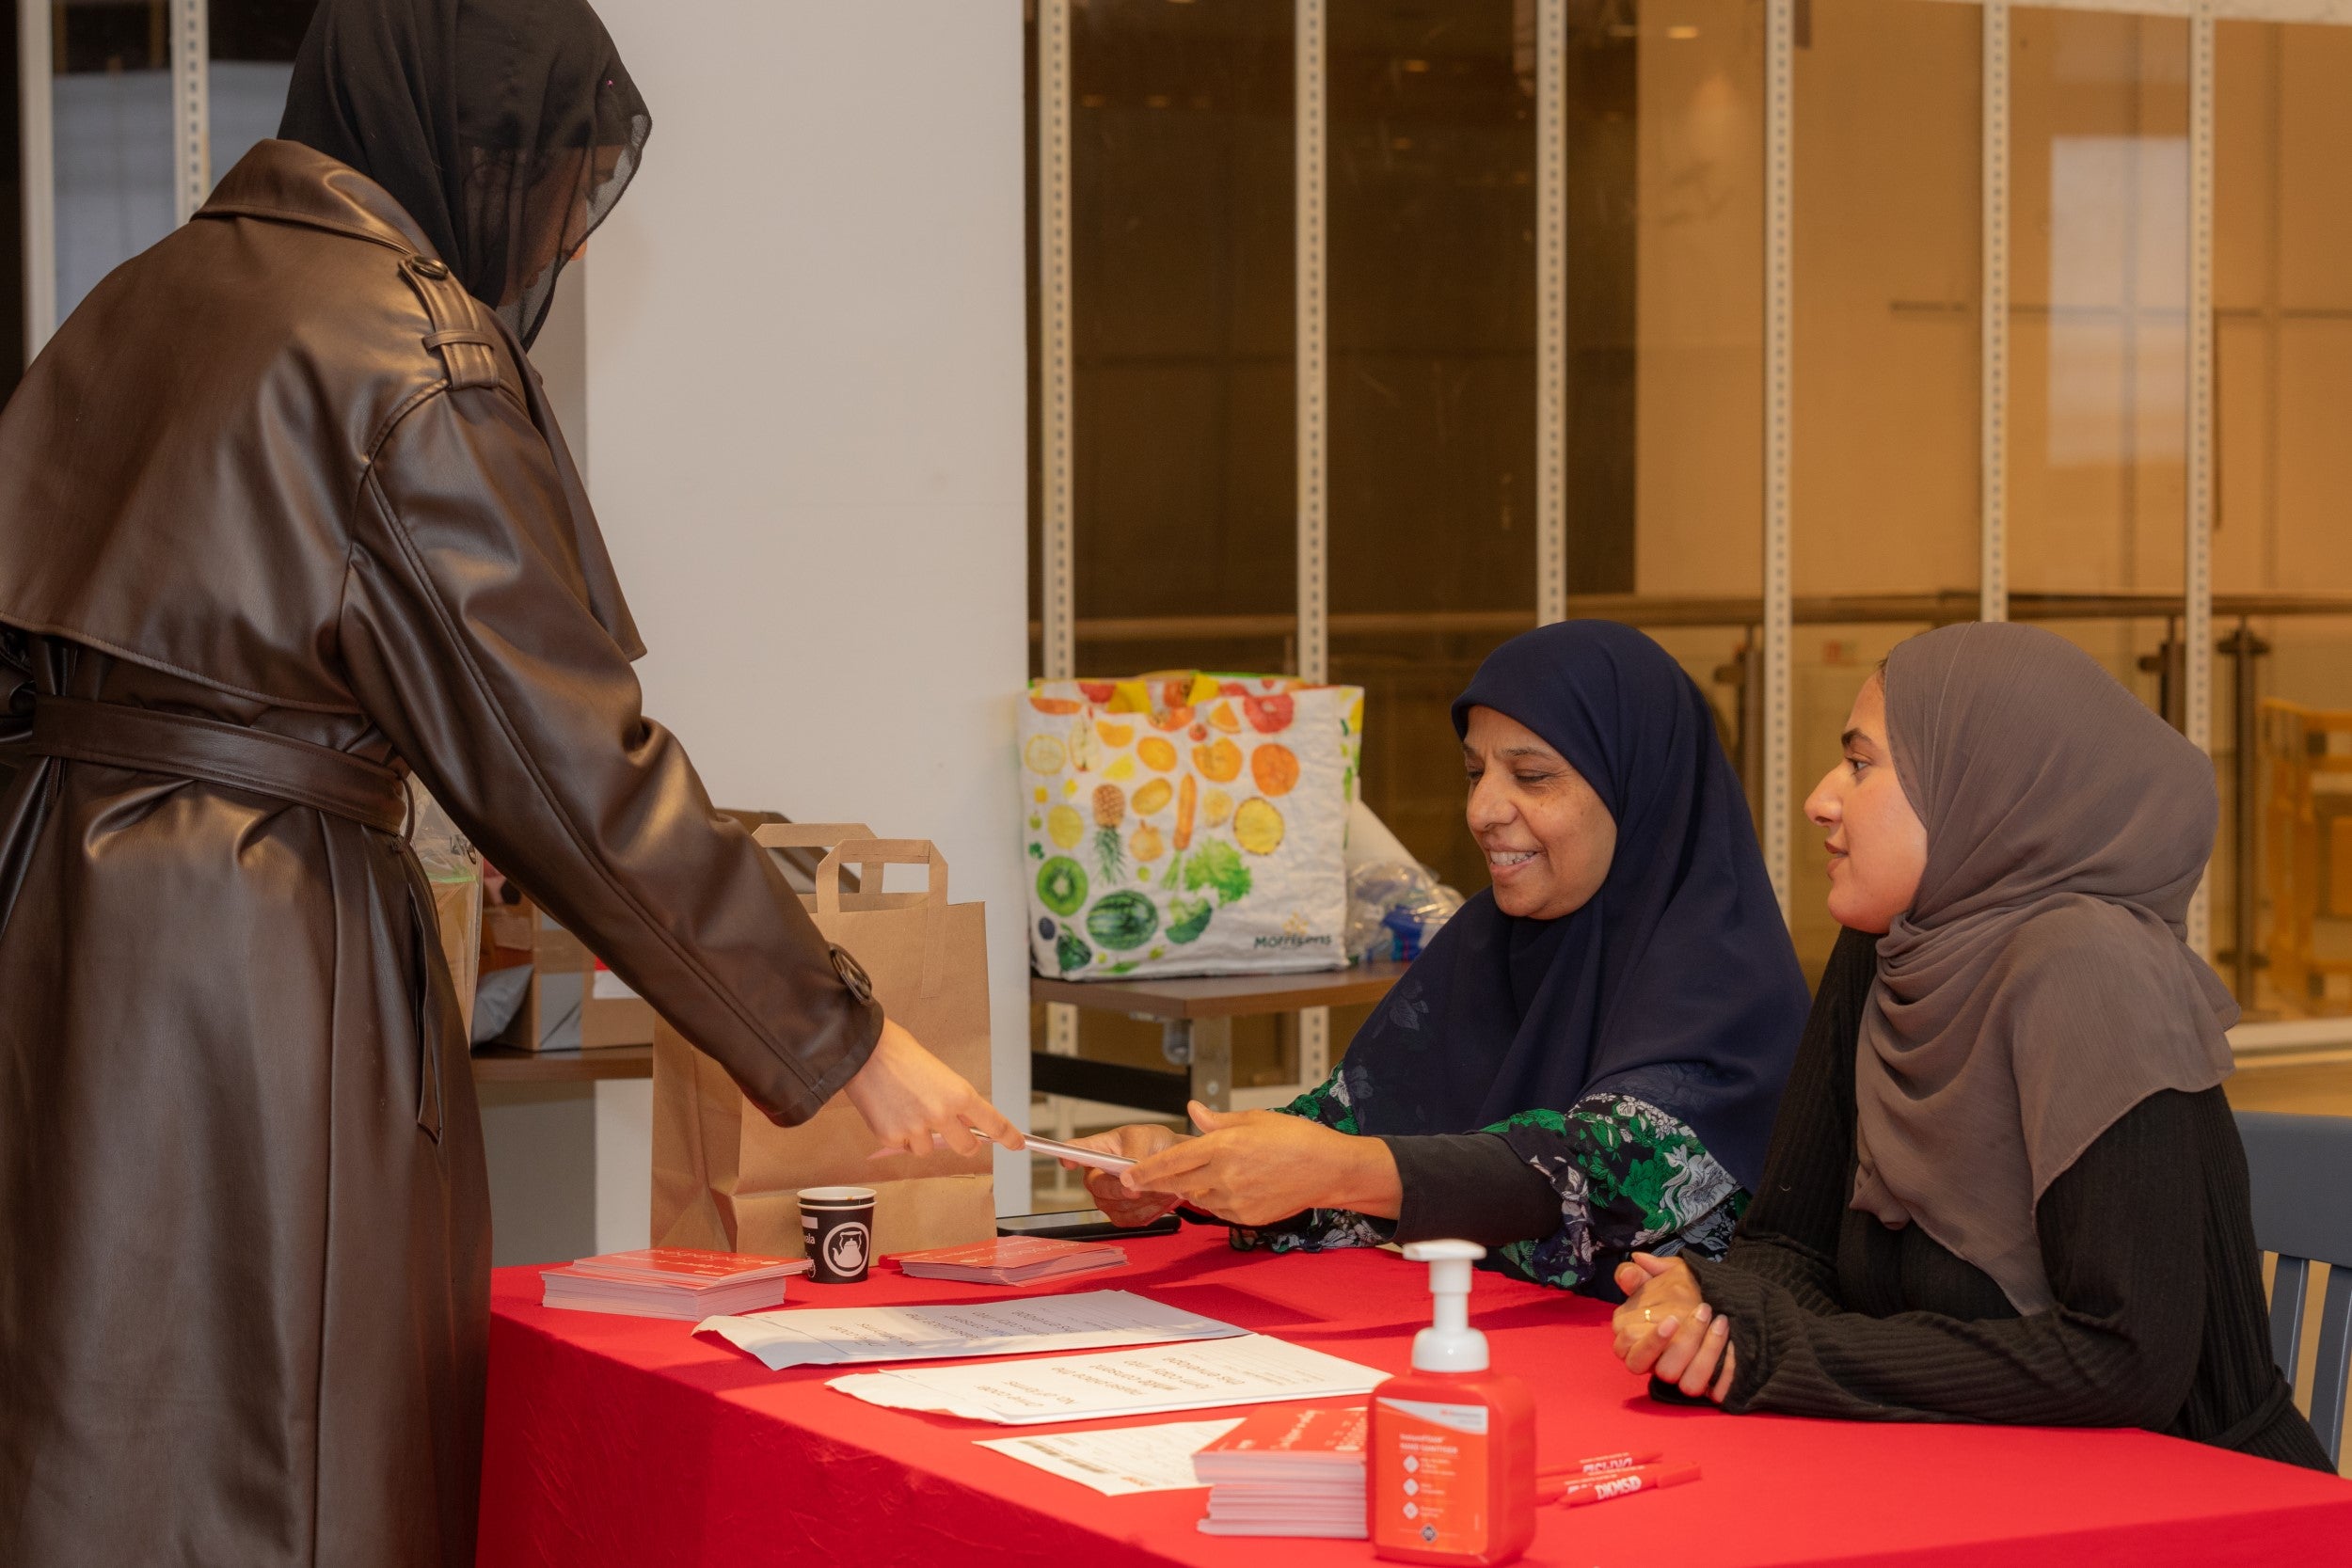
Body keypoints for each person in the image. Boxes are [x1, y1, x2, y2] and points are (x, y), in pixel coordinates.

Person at [0, 3, 1019, 1563]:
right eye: (559, 180)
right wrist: (847, 1039)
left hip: (42, 911)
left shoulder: (138, 299)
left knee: (79, 1414)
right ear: (477, 152)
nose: (576, 241)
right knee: (281, 1448)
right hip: (246, 959)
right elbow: (571, 773)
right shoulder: (401, 346)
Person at [1608, 622, 2331, 1471]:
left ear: (1978, 781)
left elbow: (2125, 1366)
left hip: (2196, 1501)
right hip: (1971, 1476)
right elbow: (1791, 1247)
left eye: (1862, 762)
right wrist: (1718, 1318)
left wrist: (1781, 1349)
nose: (1820, 797)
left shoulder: (2095, 973)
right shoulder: (1887, 949)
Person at [1073, 622, 1808, 1293]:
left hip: (1665, 1407)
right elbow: (1341, 1133)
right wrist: (1182, 1168)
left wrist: (1340, 1170)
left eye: (1531, 775)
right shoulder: (1490, 946)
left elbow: (1596, 1173)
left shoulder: (1730, 986)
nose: (1483, 809)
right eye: (1474, 772)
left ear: (1639, 785)